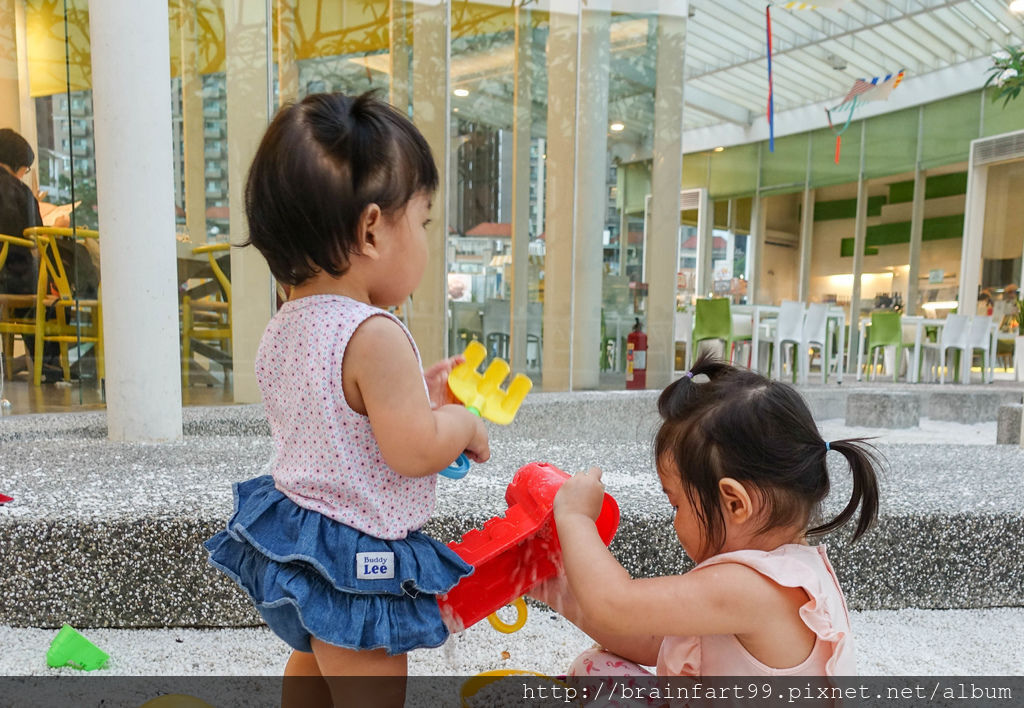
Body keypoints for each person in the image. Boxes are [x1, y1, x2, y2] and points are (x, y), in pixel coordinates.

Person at [203, 92, 489, 708]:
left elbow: (340, 417)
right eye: (423, 221)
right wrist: (460, 420)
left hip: (300, 540)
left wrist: (421, 394)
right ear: (370, 229)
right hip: (357, 557)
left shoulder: (290, 320)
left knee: (312, 659)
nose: (425, 239)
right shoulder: (373, 332)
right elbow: (413, 449)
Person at [532, 353, 881, 686]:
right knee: (591, 669)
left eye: (677, 505)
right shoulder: (786, 572)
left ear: (735, 504)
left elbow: (615, 605)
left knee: (593, 674)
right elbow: (652, 639)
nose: (675, 523)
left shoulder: (753, 589)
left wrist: (575, 517)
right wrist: (552, 588)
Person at [0, 128, 65, 382]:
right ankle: (49, 365)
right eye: (26, 170)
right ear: (19, 165)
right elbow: (36, 239)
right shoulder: (19, 192)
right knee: (60, 292)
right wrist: (57, 228)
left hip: (5, 274)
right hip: (12, 278)